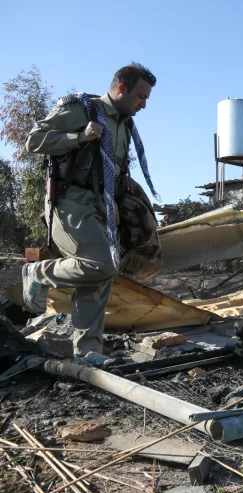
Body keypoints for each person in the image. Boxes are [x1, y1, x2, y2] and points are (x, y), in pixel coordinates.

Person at [23, 63, 158, 357]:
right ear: (121, 87)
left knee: (99, 276)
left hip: (104, 209)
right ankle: (38, 273)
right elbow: (33, 140)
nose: (143, 105)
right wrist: (78, 137)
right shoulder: (82, 109)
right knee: (101, 264)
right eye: (140, 96)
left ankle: (87, 352)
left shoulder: (125, 124)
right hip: (71, 203)